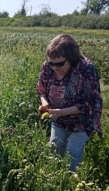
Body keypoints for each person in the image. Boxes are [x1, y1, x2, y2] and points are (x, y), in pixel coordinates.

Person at [37, 34, 102, 172]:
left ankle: (71, 185)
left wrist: (61, 112)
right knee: (54, 149)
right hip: (58, 117)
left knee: (73, 152)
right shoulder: (48, 67)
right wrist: (45, 103)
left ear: (71, 58)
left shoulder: (86, 69)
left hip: (82, 119)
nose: (54, 67)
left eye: (59, 64)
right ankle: (54, 180)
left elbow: (89, 102)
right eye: (51, 63)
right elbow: (41, 90)